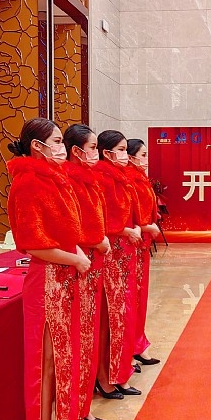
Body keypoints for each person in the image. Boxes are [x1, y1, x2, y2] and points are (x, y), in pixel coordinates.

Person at [7, 118, 90, 420]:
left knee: (57, 365)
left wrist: (75, 255)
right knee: (44, 368)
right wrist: (76, 259)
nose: (62, 147)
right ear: (37, 147)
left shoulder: (54, 179)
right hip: (46, 283)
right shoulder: (28, 183)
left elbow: (65, 233)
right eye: (56, 141)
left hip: (62, 280)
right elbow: (33, 244)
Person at [62, 124, 112, 420]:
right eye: (92, 148)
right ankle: (77, 411)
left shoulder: (89, 180)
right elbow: (73, 227)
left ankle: (84, 407)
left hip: (93, 262)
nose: (96, 154)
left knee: (89, 336)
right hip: (81, 264)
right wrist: (95, 240)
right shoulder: (69, 182)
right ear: (76, 151)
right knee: (80, 339)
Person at [92, 130, 143, 398]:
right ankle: (106, 376)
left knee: (124, 314)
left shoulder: (122, 177)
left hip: (125, 251)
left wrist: (135, 228)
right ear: (107, 152)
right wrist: (125, 231)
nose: (125, 155)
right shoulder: (101, 178)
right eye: (121, 150)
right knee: (112, 317)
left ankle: (120, 372)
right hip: (111, 252)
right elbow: (100, 220)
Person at [126, 139, 161, 366]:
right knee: (131, 300)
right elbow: (128, 216)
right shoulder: (128, 180)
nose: (146, 160)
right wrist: (146, 227)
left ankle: (137, 344)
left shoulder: (140, 178)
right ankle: (130, 348)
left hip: (142, 244)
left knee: (139, 298)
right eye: (143, 154)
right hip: (131, 244)